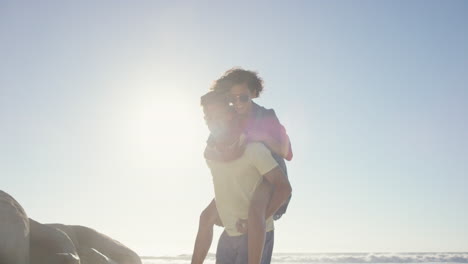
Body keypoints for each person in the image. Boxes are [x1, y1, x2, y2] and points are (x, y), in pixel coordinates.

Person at [191, 69, 293, 264]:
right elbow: (214, 142)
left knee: (256, 212)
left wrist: (262, 136)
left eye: (243, 98)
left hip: (269, 175)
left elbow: (285, 151)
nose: (238, 103)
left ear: (253, 93)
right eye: (233, 99)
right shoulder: (232, 117)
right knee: (206, 217)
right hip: (247, 174)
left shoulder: (265, 115)